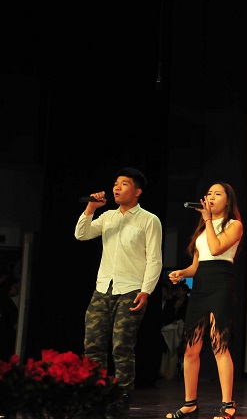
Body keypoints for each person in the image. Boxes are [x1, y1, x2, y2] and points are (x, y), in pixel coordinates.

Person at [74, 167, 163, 418]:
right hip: (103, 288)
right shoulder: (108, 217)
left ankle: (120, 398)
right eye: (115, 183)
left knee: (122, 346)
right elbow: (81, 234)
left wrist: (146, 291)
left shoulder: (149, 220)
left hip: (130, 289)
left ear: (137, 191)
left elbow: (154, 259)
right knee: (92, 345)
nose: (116, 187)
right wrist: (91, 208)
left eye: (124, 184)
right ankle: (94, 395)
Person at [166, 181, 244, 419]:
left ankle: (228, 404)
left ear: (227, 201)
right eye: (209, 193)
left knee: (219, 345)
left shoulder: (234, 225)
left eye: (217, 194)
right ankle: (189, 402)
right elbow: (196, 265)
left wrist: (208, 220)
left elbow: (217, 248)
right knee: (191, 349)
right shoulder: (202, 230)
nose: (210, 197)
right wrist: (183, 273)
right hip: (200, 287)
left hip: (221, 285)